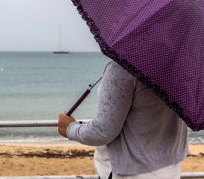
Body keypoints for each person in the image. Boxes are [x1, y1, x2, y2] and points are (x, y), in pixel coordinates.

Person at [58, 60, 189, 179]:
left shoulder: (123, 68)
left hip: (130, 172)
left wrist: (70, 128)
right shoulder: (182, 65)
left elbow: (102, 132)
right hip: (170, 166)